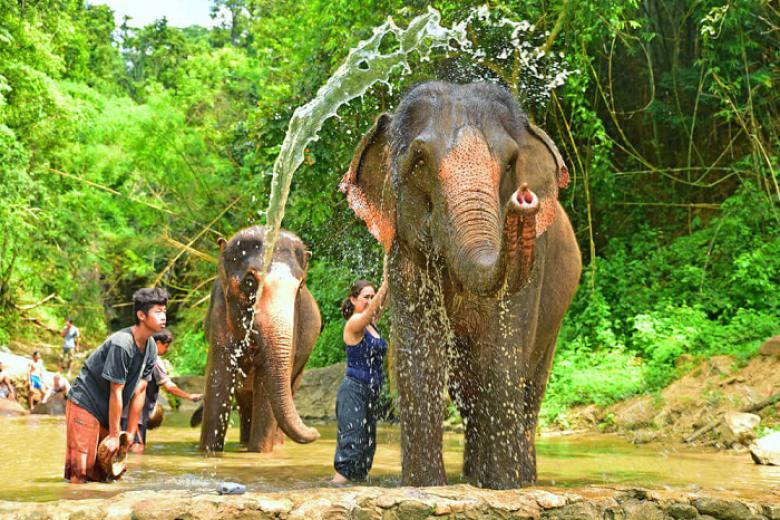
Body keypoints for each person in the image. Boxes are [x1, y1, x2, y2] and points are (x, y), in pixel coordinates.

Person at [64, 287, 167, 483]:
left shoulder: (151, 347)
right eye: (158, 312)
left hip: (107, 408)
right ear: (141, 315)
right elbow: (116, 390)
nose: (164, 317)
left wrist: (128, 434)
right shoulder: (122, 344)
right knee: (81, 471)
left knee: (103, 473)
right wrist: (113, 434)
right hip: (85, 402)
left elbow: (140, 391)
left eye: (165, 311)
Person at [332, 264, 389, 484]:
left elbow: (382, 305)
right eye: (366, 296)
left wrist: (389, 272)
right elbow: (374, 309)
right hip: (353, 392)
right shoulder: (355, 323)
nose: (370, 300)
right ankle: (330, 498)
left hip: (370, 394)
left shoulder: (372, 324)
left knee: (365, 453)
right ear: (354, 300)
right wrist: (386, 281)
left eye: (373, 296)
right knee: (351, 451)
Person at [121, 329, 203, 452]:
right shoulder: (154, 359)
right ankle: (137, 471)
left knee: (123, 449)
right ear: (157, 343)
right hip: (136, 416)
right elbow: (169, 386)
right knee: (137, 449)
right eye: (166, 346)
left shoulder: (135, 354)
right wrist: (189, 396)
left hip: (122, 413)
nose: (167, 350)